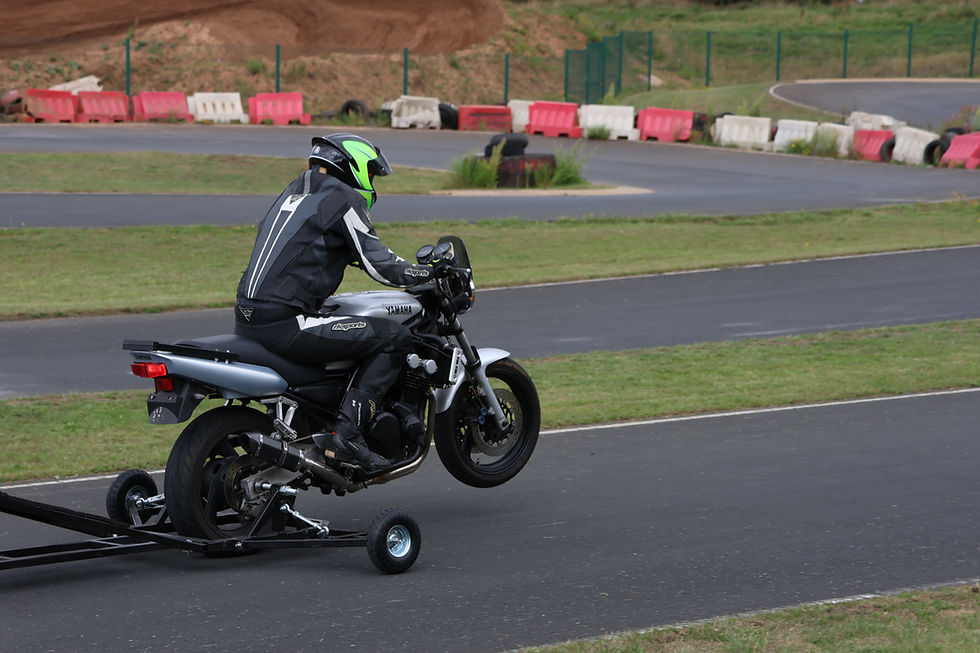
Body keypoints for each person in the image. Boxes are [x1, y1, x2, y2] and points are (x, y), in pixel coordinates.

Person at [234, 133, 434, 473]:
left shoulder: (294, 194)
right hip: (286, 322)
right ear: (353, 166)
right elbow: (380, 264)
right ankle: (347, 438)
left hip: (248, 316)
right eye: (370, 173)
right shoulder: (342, 198)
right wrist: (426, 272)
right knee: (393, 337)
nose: (370, 182)